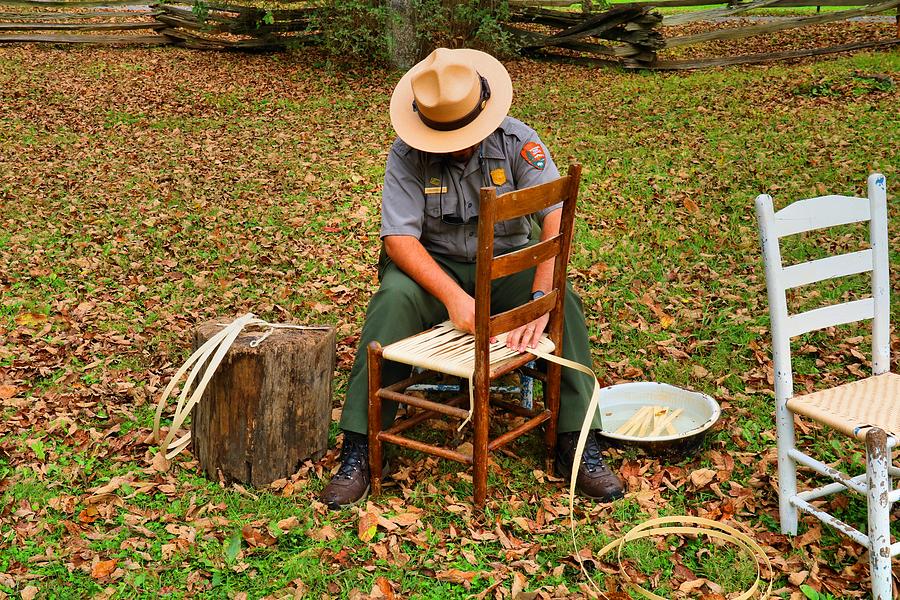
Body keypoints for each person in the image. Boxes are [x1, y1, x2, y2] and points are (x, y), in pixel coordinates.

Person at [320, 47, 624, 509]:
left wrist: (541, 295)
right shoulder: (406, 154)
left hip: (506, 266)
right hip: (433, 271)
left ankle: (577, 443)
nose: (456, 145)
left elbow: (555, 216)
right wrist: (456, 299)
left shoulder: (518, 141)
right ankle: (361, 447)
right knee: (391, 300)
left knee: (567, 304)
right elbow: (399, 240)